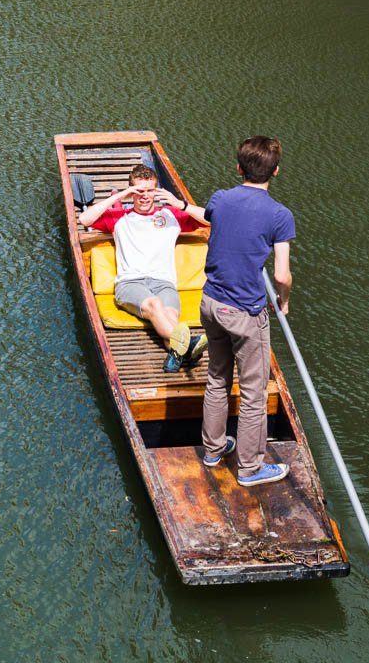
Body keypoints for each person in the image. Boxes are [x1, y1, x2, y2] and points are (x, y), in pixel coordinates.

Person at [199, 136, 296, 488]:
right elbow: (282, 275)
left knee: (217, 378)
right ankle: (251, 469)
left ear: (239, 167)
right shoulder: (280, 215)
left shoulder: (220, 199)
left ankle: (212, 450)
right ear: (276, 171)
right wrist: (283, 300)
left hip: (210, 304)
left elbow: (212, 219)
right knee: (254, 392)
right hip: (245, 312)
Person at [79, 163, 208, 373]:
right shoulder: (119, 218)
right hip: (130, 284)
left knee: (171, 317)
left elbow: (212, 218)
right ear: (132, 192)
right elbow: (85, 219)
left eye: (150, 190)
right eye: (139, 191)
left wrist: (180, 204)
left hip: (164, 282)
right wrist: (120, 196)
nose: (145, 196)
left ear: (156, 191)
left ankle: (178, 353)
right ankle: (189, 347)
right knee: (156, 306)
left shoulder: (170, 215)